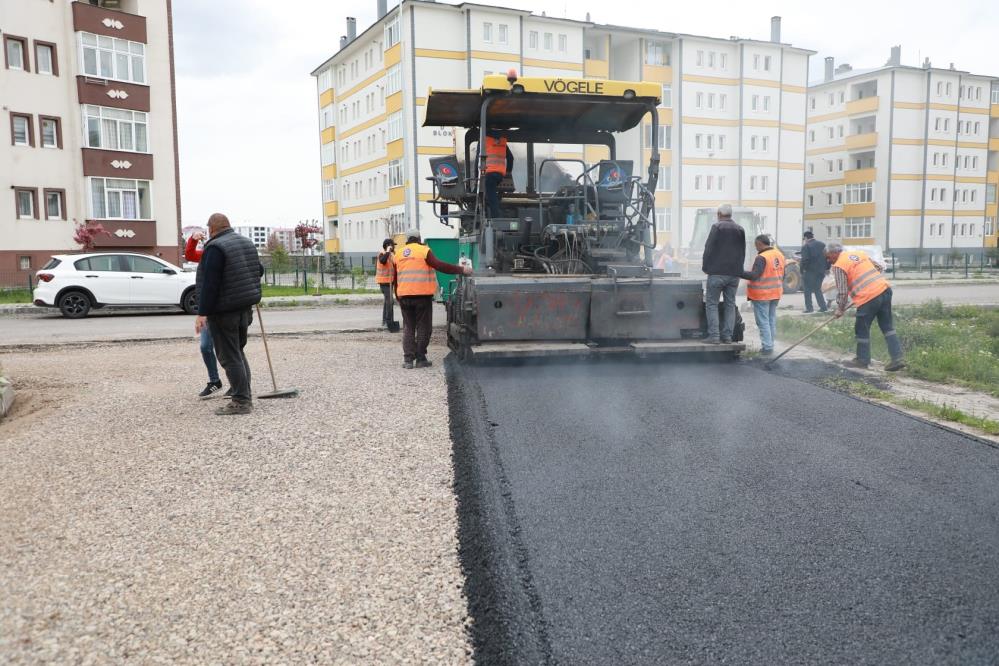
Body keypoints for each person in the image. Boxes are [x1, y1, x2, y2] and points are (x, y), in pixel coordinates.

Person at [194, 213, 264, 415]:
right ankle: (243, 391)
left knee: (229, 355)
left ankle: (241, 401)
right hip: (244, 308)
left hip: (225, 311)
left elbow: (210, 284)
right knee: (238, 352)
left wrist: (202, 313)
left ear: (211, 228)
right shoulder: (246, 242)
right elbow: (258, 270)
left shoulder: (216, 247)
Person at [394, 228, 472, 369]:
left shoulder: (398, 253)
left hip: (404, 296)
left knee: (408, 327)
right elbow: (439, 266)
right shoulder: (424, 251)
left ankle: (408, 360)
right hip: (421, 296)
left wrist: (397, 295)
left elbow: (394, 278)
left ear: (407, 239)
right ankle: (420, 358)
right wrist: (461, 270)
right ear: (419, 238)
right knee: (423, 327)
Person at [825, 242, 906, 371]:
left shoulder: (839, 266)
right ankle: (897, 358)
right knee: (887, 327)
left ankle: (862, 360)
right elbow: (879, 268)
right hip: (884, 290)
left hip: (868, 297)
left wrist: (840, 309)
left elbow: (842, 291)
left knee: (861, 328)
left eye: (829, 256)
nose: (828, 260)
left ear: (835, 253)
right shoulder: (859, 254)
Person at [185, 230, 225, 398]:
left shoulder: (228, 254)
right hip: (209, 309)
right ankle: (214, 381)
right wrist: (193, 240)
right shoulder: (209, 255)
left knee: (229, 350)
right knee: (205, 346)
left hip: (226, 308)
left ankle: (239, 385)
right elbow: (190, 255)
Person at [701, 203, 746, 344]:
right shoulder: (740, 229)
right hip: (733, 275)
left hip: (716, 273)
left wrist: (705, 267)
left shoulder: (717, 227)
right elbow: (742, 252)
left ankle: (714, 337)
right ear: (730, 215)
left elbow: (708, 248)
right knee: (730, 305)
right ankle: (727, 337)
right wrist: (738, 270)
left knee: (712, 304)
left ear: (719, 214)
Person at [741, 234, 784, 355]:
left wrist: (739, 272)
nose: (756, 248)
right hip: (775, 293)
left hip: (762, 294)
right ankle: (770, 344)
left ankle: (767, 347)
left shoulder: (761, 257)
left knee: (763, 321)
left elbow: (755, 275)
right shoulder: (779, 254)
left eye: (756, 245)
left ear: (760, 243)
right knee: (771, 320)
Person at [482, 129, 514, 218]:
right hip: (499, 175)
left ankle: (495, 218)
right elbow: (511, 158)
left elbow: (478, 160)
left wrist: (477, 179)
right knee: (493, 195)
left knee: (490, 197)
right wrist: (508, 173)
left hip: (489, 174)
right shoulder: (502, 142)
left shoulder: (484, 141)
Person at [799, 230, 828, 313]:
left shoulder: (806, 246)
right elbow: (827, 257)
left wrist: (802, 270)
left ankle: (809, 308)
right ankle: (823, 307)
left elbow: (805, 260)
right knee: (817, 289)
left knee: (807, 290)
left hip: (810, 272)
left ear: (805, 238)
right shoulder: (822, 245)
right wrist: (826, 268)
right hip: (821, 271)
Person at [376, 238, 398, 330]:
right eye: (392, 245)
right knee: (390, 302)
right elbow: (383, 261)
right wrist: (388, 252)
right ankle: (389, 322)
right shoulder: (382, 253)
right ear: (388, 246)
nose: (394, 247)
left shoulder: (392, 255)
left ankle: (385, 321)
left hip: (390, 282)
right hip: (384, 282)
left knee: (387, 302)